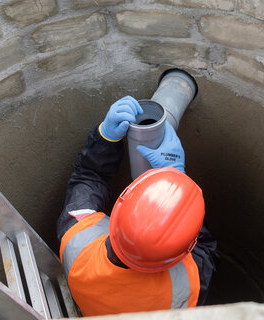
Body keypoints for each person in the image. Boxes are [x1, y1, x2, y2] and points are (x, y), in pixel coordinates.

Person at [56, 96, 218, 316]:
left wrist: (105, 137)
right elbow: (206, 247)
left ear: (120, 205)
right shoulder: (188, 284)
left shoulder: (76, 241)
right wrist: (176, 176)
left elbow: (89, 177)